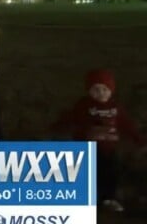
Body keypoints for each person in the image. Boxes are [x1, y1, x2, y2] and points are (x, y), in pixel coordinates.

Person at [52, 69, 145, 212]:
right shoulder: (83, 106)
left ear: (111, 90)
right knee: (90, 173)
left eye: (104, 89)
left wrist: (140, 140)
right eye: (96, 89)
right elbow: (71, 118)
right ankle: (88, 198)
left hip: (110, 149)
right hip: (89, 148)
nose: (100, 93)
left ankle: (109, 199)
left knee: (111, 172)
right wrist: (60, 128)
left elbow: (127, 125)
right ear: (89, 90)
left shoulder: (116, 108)